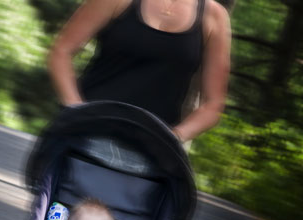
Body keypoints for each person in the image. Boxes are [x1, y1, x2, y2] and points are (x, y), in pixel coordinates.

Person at [47, 0, 231, 142]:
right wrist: (76, 110)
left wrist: (173, 137)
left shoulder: (214, 16)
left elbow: (213, 104)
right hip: (83, 132)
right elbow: (61, 52)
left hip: (149, 149)